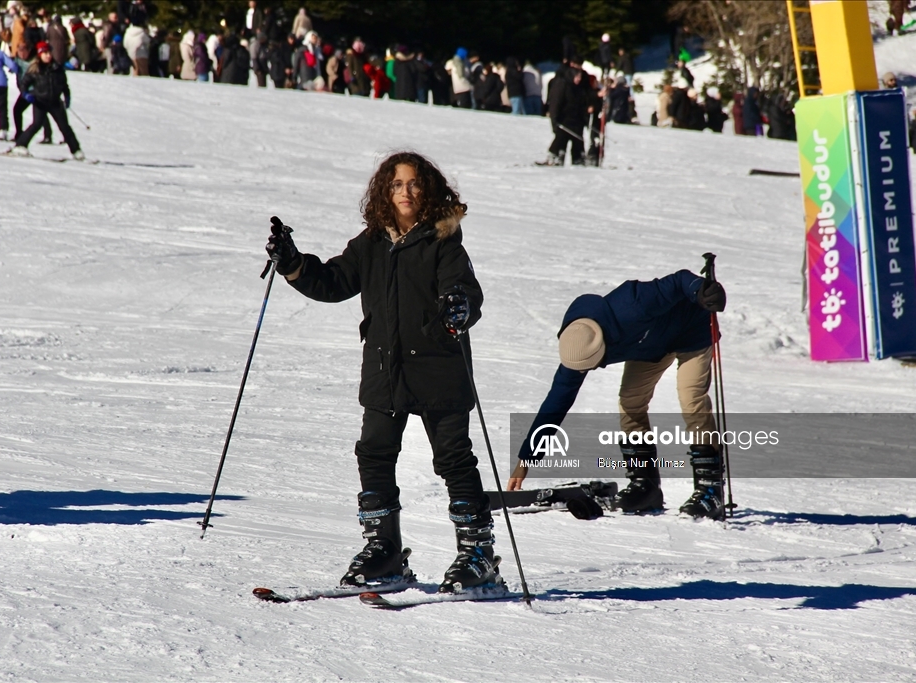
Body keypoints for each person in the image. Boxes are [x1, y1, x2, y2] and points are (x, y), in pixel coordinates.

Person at [263, 152, 501, 595]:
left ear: (426, 189)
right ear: (384, 192)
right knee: (374, 452)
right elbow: (332, 282)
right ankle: (384, 551)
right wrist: (294, 262)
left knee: (452, 459)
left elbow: (464, 289)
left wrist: (459, 307)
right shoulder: (372, 243)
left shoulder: (443, 241)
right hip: (384, 370)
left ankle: (478, 554)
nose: (405, 192)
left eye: (413, 184)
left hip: (437, 369)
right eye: (396, 185)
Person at [507, 270, 729, 520]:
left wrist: (700, 289)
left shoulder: (632, 303)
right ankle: (645, 487)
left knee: (691, 399)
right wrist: (526, 459)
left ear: (601, 351)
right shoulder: (577, 346)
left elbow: (678, 282)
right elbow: (556, 404)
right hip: (651, 347)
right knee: (630, 402)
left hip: (692, 330)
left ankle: (710, 490)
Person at [8, 41, 83, 160]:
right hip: (40, 102)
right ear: (40, 55)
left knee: (64, 127)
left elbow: (64, 85)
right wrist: (26, 94)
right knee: (36, 125)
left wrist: (67, 97)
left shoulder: (57, 68)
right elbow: (24, 84)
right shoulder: (35, 69)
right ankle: (20, 145)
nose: (48, 55)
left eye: (49, 53)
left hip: (55, 103)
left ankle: (76, 151)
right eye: (45, 53)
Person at [540, 63, 589, 166]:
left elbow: (582, 105)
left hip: (576, 121)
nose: (579, 79)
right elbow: (555, 104)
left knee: (578, 142)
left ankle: (578, 159)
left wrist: (585, 118)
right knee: (560, 140)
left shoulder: (579, 89)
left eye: (580, 77)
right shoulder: (562, 85)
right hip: (564, 121)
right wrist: (554, 121)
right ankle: (555, 157)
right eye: (577, 77)